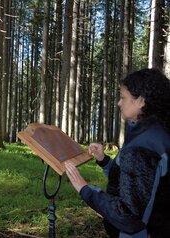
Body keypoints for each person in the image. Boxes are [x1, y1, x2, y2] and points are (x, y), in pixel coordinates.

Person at [64, 68, 170, 238]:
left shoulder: (143, 146)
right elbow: (139, 180)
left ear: (141, 101)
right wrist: (104, 161)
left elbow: (128, 215)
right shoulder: (154, 134)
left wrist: (85, 189)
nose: (119, 103)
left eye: (123, 97)